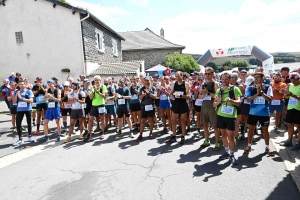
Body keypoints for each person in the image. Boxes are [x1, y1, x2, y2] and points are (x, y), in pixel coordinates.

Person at [213, 72, 242, 165]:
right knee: (224, 134)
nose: (224, 81)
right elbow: (214, 104)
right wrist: (218, 102)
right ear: (220, 79)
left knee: (231, 136)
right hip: (221, 115)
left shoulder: (235, 89)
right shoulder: (219, 91)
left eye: (226, 79)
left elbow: (239, 102)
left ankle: (232, 154)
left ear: (230, 80)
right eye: (223, 79)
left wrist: (230, 100)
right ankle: (226, 151)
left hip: (230, 116)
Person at [244, 72, 275, 156]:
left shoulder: (268, 87)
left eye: (258, 77)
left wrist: (261, 93)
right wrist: (257, 94)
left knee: (265, 130)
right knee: (251, 129)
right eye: (255, 77)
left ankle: (267, 146)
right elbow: (248, 100)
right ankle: (249, 145)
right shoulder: (250, 88)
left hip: (264, 112)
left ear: (262, 78)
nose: (256, 79)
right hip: (253, 112)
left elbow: (269, 100)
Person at [165, 71, 191, 145]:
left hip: (183, 104)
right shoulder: (173, 83)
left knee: (182, 121)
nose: (177, 77)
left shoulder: (186, 84)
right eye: (176, 76)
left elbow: (188, 96)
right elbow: (171, 93)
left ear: (182, 76)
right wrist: (169, 94)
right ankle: (174, 136)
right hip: (176, 104)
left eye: (179, 76)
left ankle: (183, 137)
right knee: (173, 121)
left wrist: (180, 95)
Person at [199, 67, 220, 150]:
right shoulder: (203, 84)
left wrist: (207, 92)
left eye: (209, 73)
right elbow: (200, 97)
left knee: (215, 126)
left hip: (212, 107)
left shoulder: (215, 83)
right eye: (206, 73)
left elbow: (218, 97)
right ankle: (207, 140)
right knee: (205, 125)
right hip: (204, 106)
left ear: (212, 74)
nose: (207, 75)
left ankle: (217, 142)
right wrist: (203, 94)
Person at [84, 75, 107, 142]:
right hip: (94, 105)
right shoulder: (92, 88)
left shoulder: (103, 86)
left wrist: (97, 91)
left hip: (101, 104)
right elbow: (91, 98)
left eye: (97, 80)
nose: (96, 81)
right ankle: (89, 134)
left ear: (100, 80)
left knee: (102, 119)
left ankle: (102, 132)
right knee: (90, 119)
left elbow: (103, 96)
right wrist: (93, 92)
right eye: (95, 80)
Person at [281, 72, 300, 151]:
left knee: (299, 126)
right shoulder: (289, 85)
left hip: (298, 109)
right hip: (291, 107)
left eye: (293, 79)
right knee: (289, 125)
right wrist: (285, 93)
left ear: (297, 79)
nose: (291, 80)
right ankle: (289, 140)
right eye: (291, 79)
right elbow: (286, 96)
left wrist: (292, 95)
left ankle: (299, 143)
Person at [12, 80, 34, 146]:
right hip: (19, 110)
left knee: (29, 123)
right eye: (20, 84)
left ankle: (29, 136)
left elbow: (31, 100)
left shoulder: (29, 91)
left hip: (28, 109)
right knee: (18, 124)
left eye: (22, 84)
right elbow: (14, 102)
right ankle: (20, 138)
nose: (21, 85)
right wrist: (16, 95)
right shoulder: (16, 91)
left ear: (25, 85)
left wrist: (21, 98)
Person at [136, 76, 157, 141]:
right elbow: (140, 98)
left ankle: (151, 132)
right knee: (142, 120)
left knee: (151, 120)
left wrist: (149, 93)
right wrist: (143, 95)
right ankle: (140, 134)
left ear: (150, 81)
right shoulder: (142, 89)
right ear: (144, 81)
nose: (146, 81)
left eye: (148, 80)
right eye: (145, 80)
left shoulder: (153, 88)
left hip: (151, 106)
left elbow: (155, 97)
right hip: (144, 106)